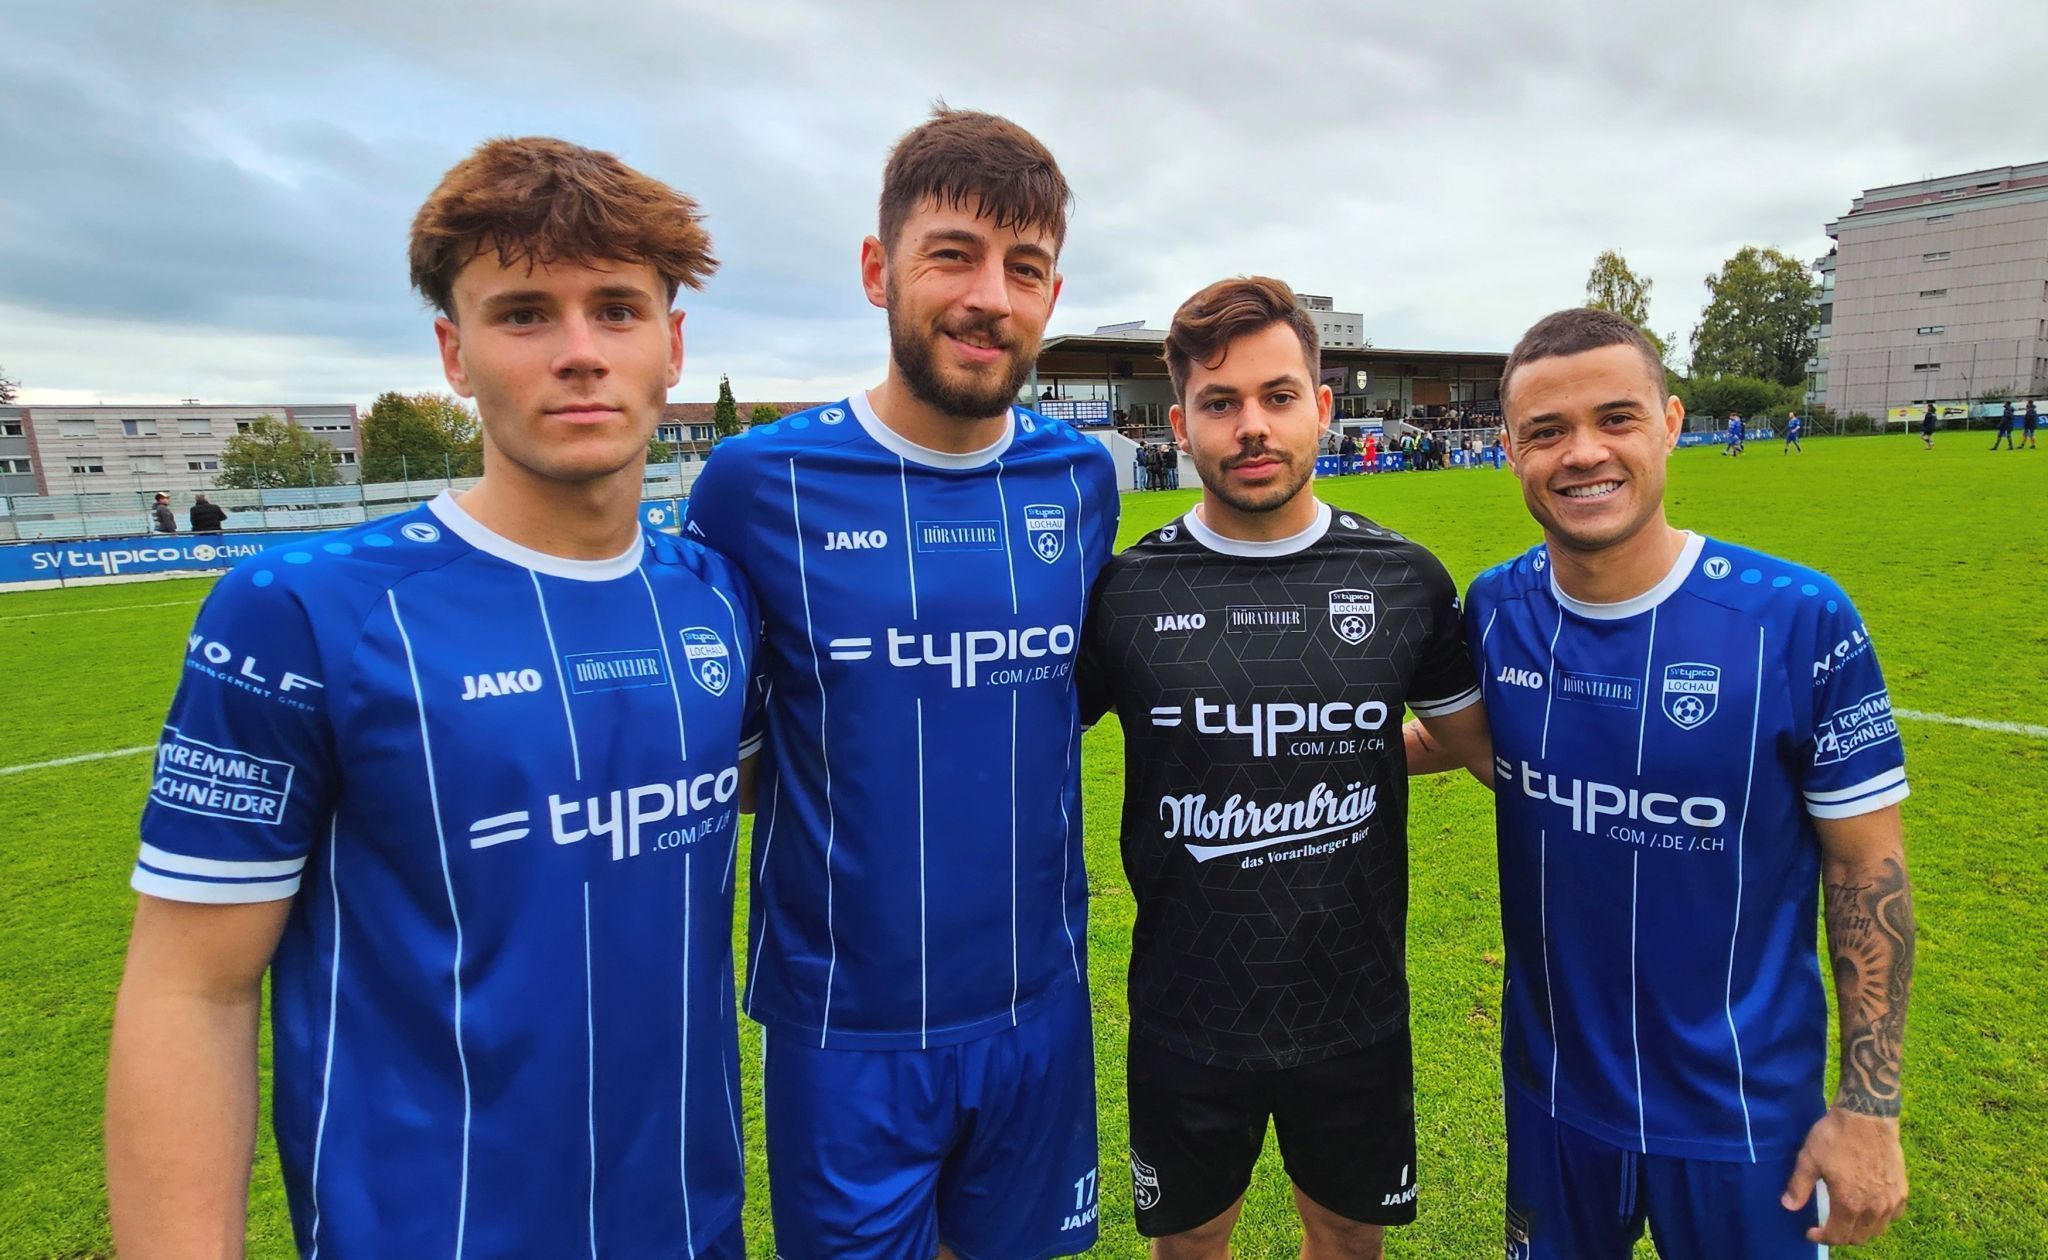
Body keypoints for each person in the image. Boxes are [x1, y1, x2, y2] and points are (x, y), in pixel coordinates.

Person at [105, 137, 758, 1258]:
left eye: (615, 309)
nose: (578, 353)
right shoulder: (301, 611)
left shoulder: (712, 596)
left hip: (689, 1227)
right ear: (454, 352)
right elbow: (189, 993)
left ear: (672, 344)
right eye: (521, 315)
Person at [685, 108, 1118, 1259]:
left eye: (1023, 269)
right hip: (844, 1032)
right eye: (952, 255)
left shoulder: (1079, 480)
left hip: (1038, 1010)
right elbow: (711, 751)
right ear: (879, 269)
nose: (990, 296)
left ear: (1051, 295)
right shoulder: (752, 484)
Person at [1409, 308, 1914, 1256]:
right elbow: (1466, 738)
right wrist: (1293, 748)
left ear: (1673, 422)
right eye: (1546, 432)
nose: (1581, 453)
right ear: (1508, 452)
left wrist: (1870, 1107)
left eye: (1616, 418)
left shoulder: (1798, 619)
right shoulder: (1496, 607)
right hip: (1558, 1101)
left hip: (1746, 1119)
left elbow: (1866, 867)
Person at [1082, 277, 1488, 1260]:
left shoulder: (1404, 581)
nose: (1250, 427)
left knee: (1347, 1244)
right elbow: (1007, 745)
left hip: (1352, 1015)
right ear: (1180, 423)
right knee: (1188, 1248)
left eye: (1276, 396)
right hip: (1186, 1015)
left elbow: (1479, 751)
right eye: (1220, 405)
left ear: (1322, 405)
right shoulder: (1123, 593)